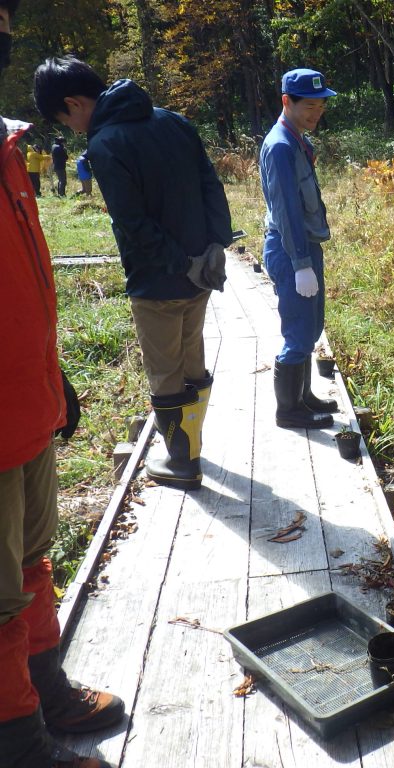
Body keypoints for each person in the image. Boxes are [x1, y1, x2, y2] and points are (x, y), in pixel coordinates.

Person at [1, 4, 124, 767]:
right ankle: (19, 744)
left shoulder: (9, 149)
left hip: (29, 402)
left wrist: (57, 377)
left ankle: (47, 692)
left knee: (33, 560)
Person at [34, 56, 232, 490]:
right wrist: (215, 246)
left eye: (65, 121)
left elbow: (134, 224)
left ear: (73, 103)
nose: (72, 131)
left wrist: (180, 263)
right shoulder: (174, 121)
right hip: (201, 275)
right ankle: (192, 446)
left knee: (165, 373)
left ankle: (182, 462)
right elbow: (210, 184)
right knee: (193, 359)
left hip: (157, 281)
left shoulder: (105, 145)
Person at [259, 68, 340, 429]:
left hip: (303, 247)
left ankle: (303, 397)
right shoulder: (280, 145)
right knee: (297, 331)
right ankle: (288, 411)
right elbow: (286, 210)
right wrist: (300, 263)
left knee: (311, 326)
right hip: (291, 249)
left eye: (320, 105)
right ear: (286, 102)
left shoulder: (297, 138)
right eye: (309, 105)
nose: (316, 112)